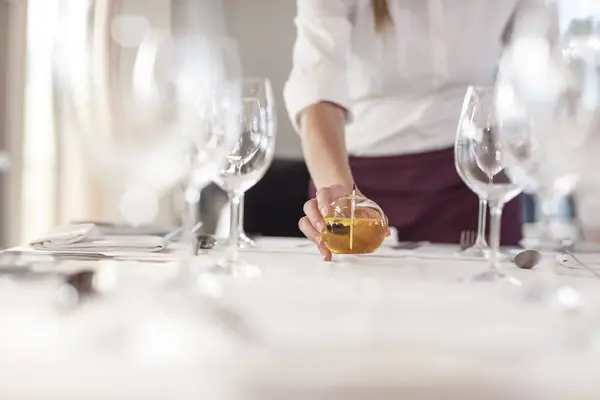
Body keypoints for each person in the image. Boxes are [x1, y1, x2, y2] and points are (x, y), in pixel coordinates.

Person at [284, 0, 549, 261]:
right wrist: (339, 191)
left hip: (476, 179)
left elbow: (542, 71)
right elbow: (316, 89)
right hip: (356, 181)